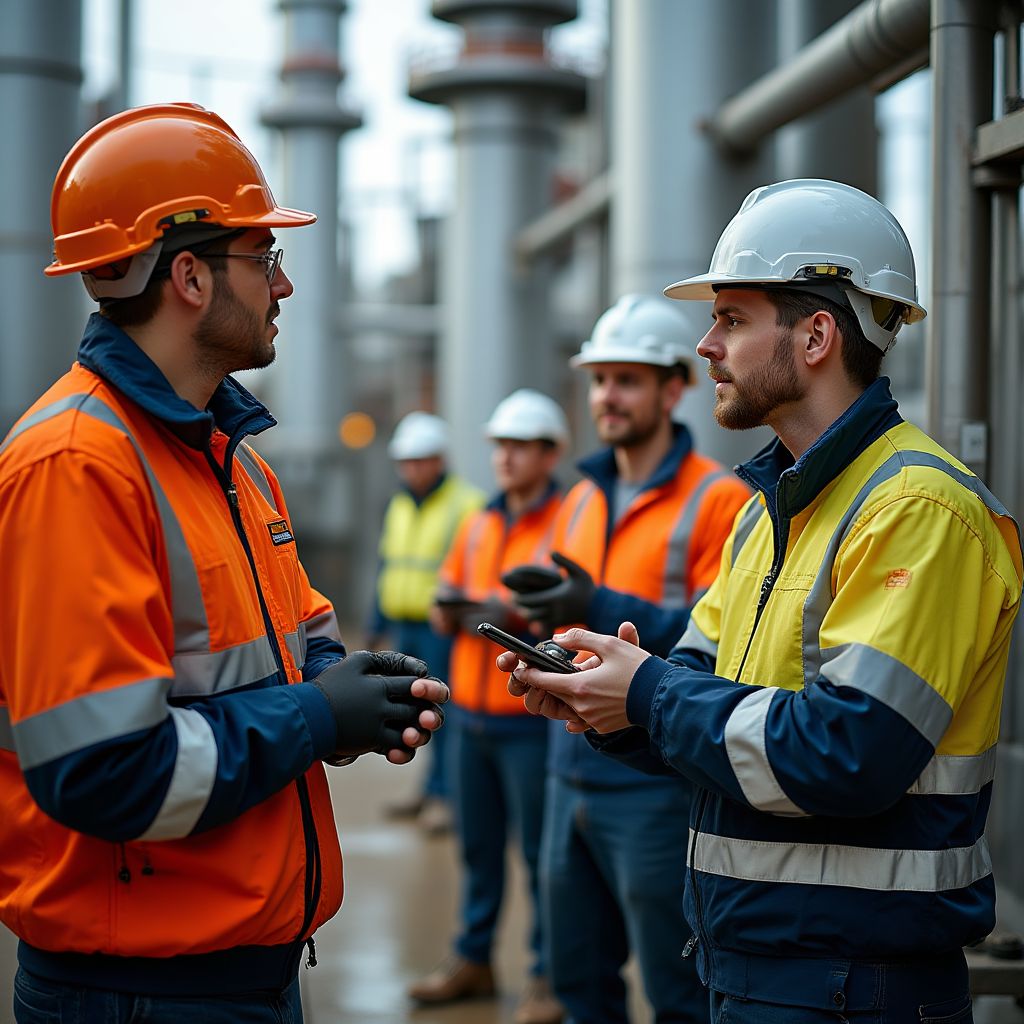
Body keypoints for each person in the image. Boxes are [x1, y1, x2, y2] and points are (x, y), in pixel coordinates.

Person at [502, 179, 1024, 1024]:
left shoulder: (917, 510)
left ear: (817, 335)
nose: (706, 345)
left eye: (733, 319)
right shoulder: (768, 511)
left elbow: (848, 753)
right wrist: (608, 699)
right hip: (755, 964)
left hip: (856, 987)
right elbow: (703, 692)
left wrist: (649, 693)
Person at [0, 103, 449, 1024]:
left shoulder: (230, 457)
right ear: (193, 277)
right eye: (266, 259)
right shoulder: (77, 466)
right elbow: (106, 772)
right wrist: (315, 717)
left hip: (245, 969)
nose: (283, 287)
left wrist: (352, 689)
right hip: (136, 992)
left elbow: (296, 638)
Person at [502, 297, 750, 1024]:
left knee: (678, 992)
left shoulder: (719, 500)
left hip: (654, 782)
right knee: (580, 983)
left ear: (675, 388)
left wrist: (599, 601)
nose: (608, 395)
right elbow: (576, 623)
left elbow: (725, 644)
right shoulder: (579, 497)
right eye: (600, 379)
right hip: (569, 768)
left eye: (628, 380)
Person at [408, 389, 569, 1024]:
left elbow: (566, 612)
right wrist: (456, 612)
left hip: (531, 720)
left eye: (520, 446)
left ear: (549, 454)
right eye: (500, 445)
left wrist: (500, 615)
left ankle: (546, 975)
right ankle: (473, 959)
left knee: (539, 858)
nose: (505, 457)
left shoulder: (566, 521)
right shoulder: (477, 522)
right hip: (472, 718)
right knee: (477, 852)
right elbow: (440, 597)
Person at [369, 411, 484, 833]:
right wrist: (376, 621)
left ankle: (446, 796)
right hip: (405, 625)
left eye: (420, 460)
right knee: (416, 712)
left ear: (439, 460)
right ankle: (429, 788)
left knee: (442, 713)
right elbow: (390, 564)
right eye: (406, 461)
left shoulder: (466, 504)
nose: (412, 469)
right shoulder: (400, 504)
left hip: (443, 629)